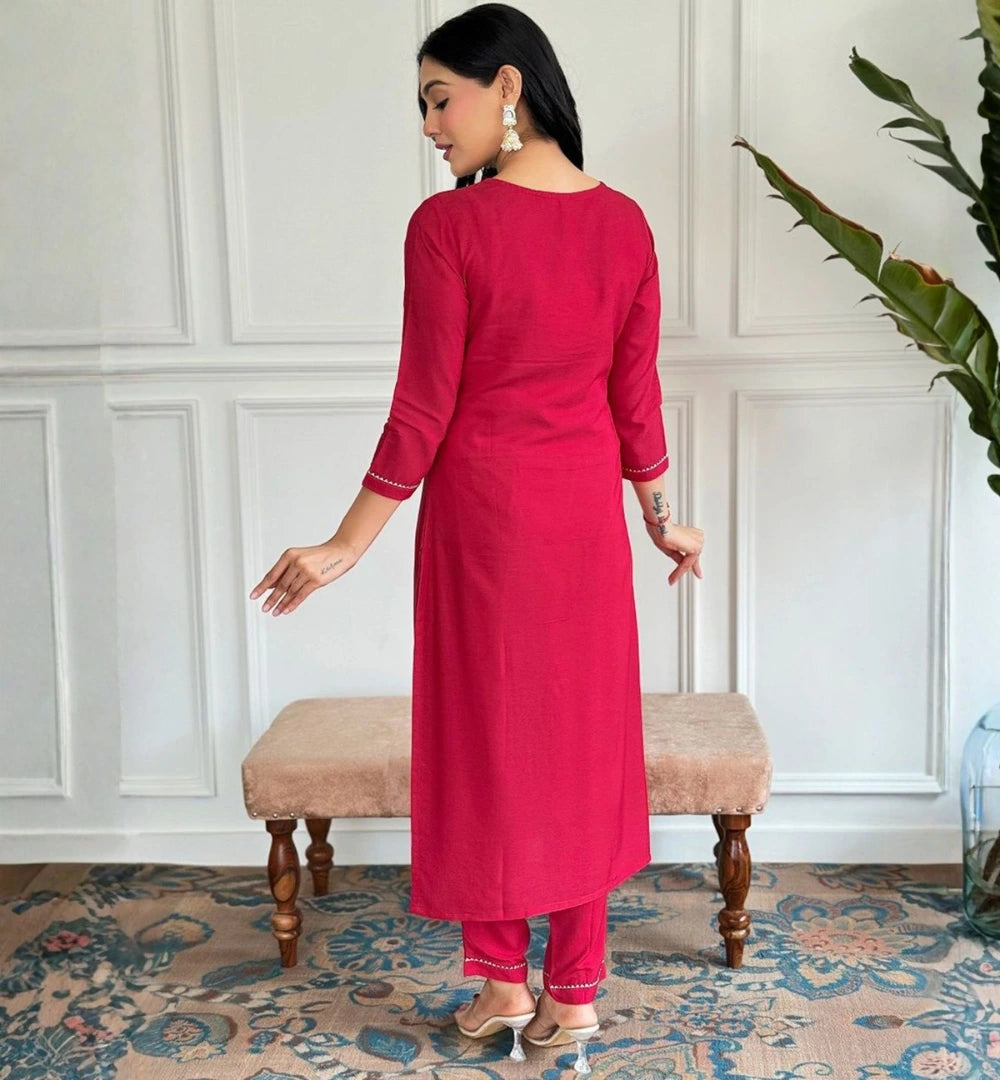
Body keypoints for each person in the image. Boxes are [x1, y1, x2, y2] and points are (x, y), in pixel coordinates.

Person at [249, 2, 704, 1069]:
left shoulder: (448, 227)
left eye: (437, 97)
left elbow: (424, 408)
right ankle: (574, 997)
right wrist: (661, 522)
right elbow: (634, 398)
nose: (427, 124)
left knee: (490, 747)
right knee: (581, 747)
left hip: (484, 532)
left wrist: (345, 543)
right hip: (585, 528)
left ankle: (505, 985)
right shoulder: (626, 222)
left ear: (508, 87)